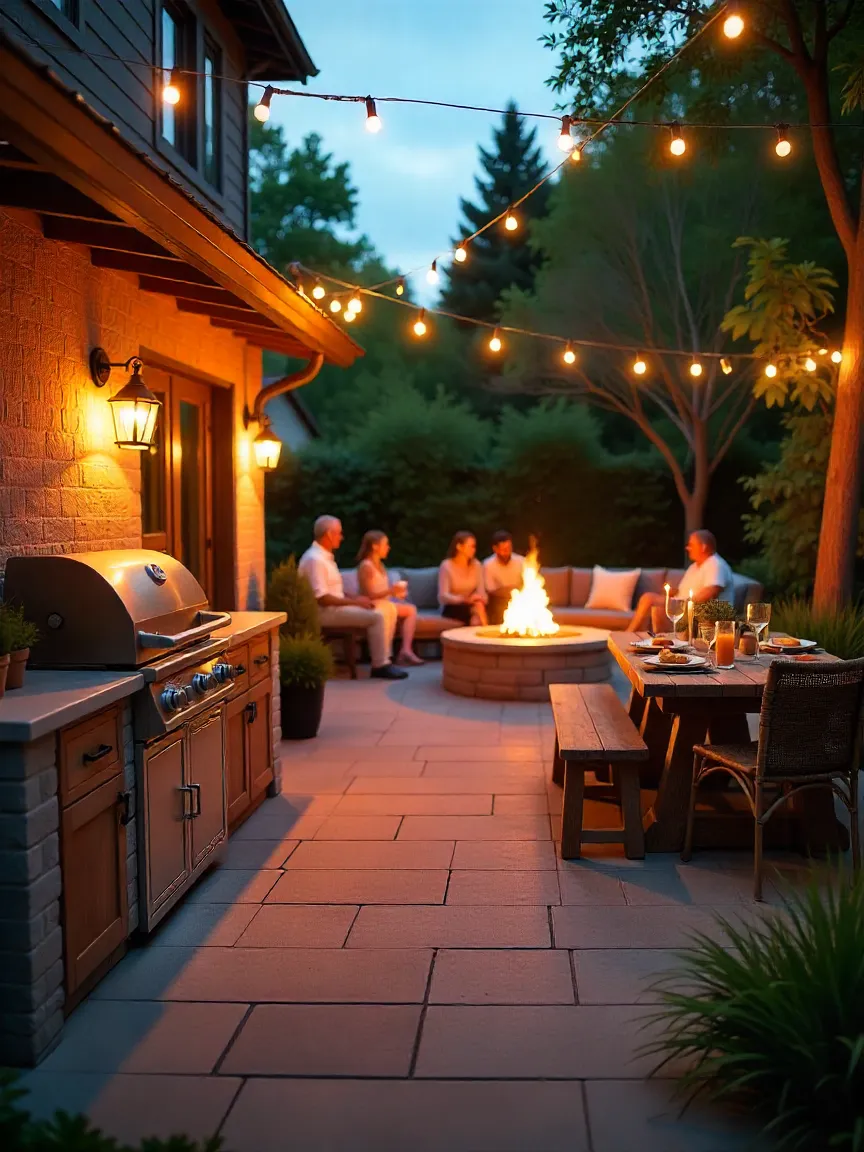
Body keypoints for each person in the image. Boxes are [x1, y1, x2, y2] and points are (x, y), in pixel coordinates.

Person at [298, 515, 408, 680]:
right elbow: (322, 598)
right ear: (329, 534)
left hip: (334, 607)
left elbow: (335, 591)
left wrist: (357, 599)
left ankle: (386, 659)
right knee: (376, 617)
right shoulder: (315, 559)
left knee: (387, 608)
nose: (341, 538)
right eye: (339, 533)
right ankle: (380, 665)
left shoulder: (325, 558)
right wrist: (355, 602)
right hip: (324, 612)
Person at [629, 529, 736, 631]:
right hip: (685, 606)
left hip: (699, 611)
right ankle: (640, 640)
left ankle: (628, 634)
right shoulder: (694, 567)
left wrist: (683, 603)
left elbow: (712, 591)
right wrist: (672, 592)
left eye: (691, 545)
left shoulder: (715, 564)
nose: (687, 548)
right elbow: (684, 591)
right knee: (654, 605)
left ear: (703, 547)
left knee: (648, 598)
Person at [356, 530, 424, 666]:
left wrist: (396, 593)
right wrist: (392, 591)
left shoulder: (380, 565)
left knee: (410, 609)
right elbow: (368, 595)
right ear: (375, 546)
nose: (388, 548)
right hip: (373, 605)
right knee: (404, 610)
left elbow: (383, 591)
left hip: (384, 603)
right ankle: (396, 653)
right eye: (385, 544)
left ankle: (405, 650)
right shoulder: (366, 566)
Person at [438, 530, 488, 626]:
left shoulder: (476, 565)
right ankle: (485, 631)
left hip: (473, 605)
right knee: (477, 609)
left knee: (477, 612)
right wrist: (464, 599)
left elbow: (482, 593)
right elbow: (443, 596)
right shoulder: (446, 566)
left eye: (474, 546)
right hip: (453, 605)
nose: (474, 550)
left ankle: (476, 637)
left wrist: (479, 598)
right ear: (459, 547)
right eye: (471, 546)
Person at [482, 530, 525, 626]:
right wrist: (511, 589)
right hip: (498, 600)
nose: (507, 552)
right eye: (504, 549)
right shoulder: (488, 564)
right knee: (497, 604)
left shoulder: (521, 561)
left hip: (520, 597)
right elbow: (491, 590)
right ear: (495, 549)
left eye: (509, 548)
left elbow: (528, 583)